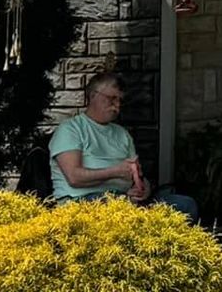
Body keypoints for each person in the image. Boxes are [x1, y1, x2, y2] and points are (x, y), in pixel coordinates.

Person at [49, 69, 199, 219]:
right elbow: (74, 177)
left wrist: (142, 189)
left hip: (123, 200)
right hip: (83, 202)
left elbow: (137, 175)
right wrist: (115, 172)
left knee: (185, 204)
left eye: (120, 100)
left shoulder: (122, 133)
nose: (117, 106)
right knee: (119, 207)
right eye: (112, 99)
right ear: (93, 95)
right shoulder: (71, 129)